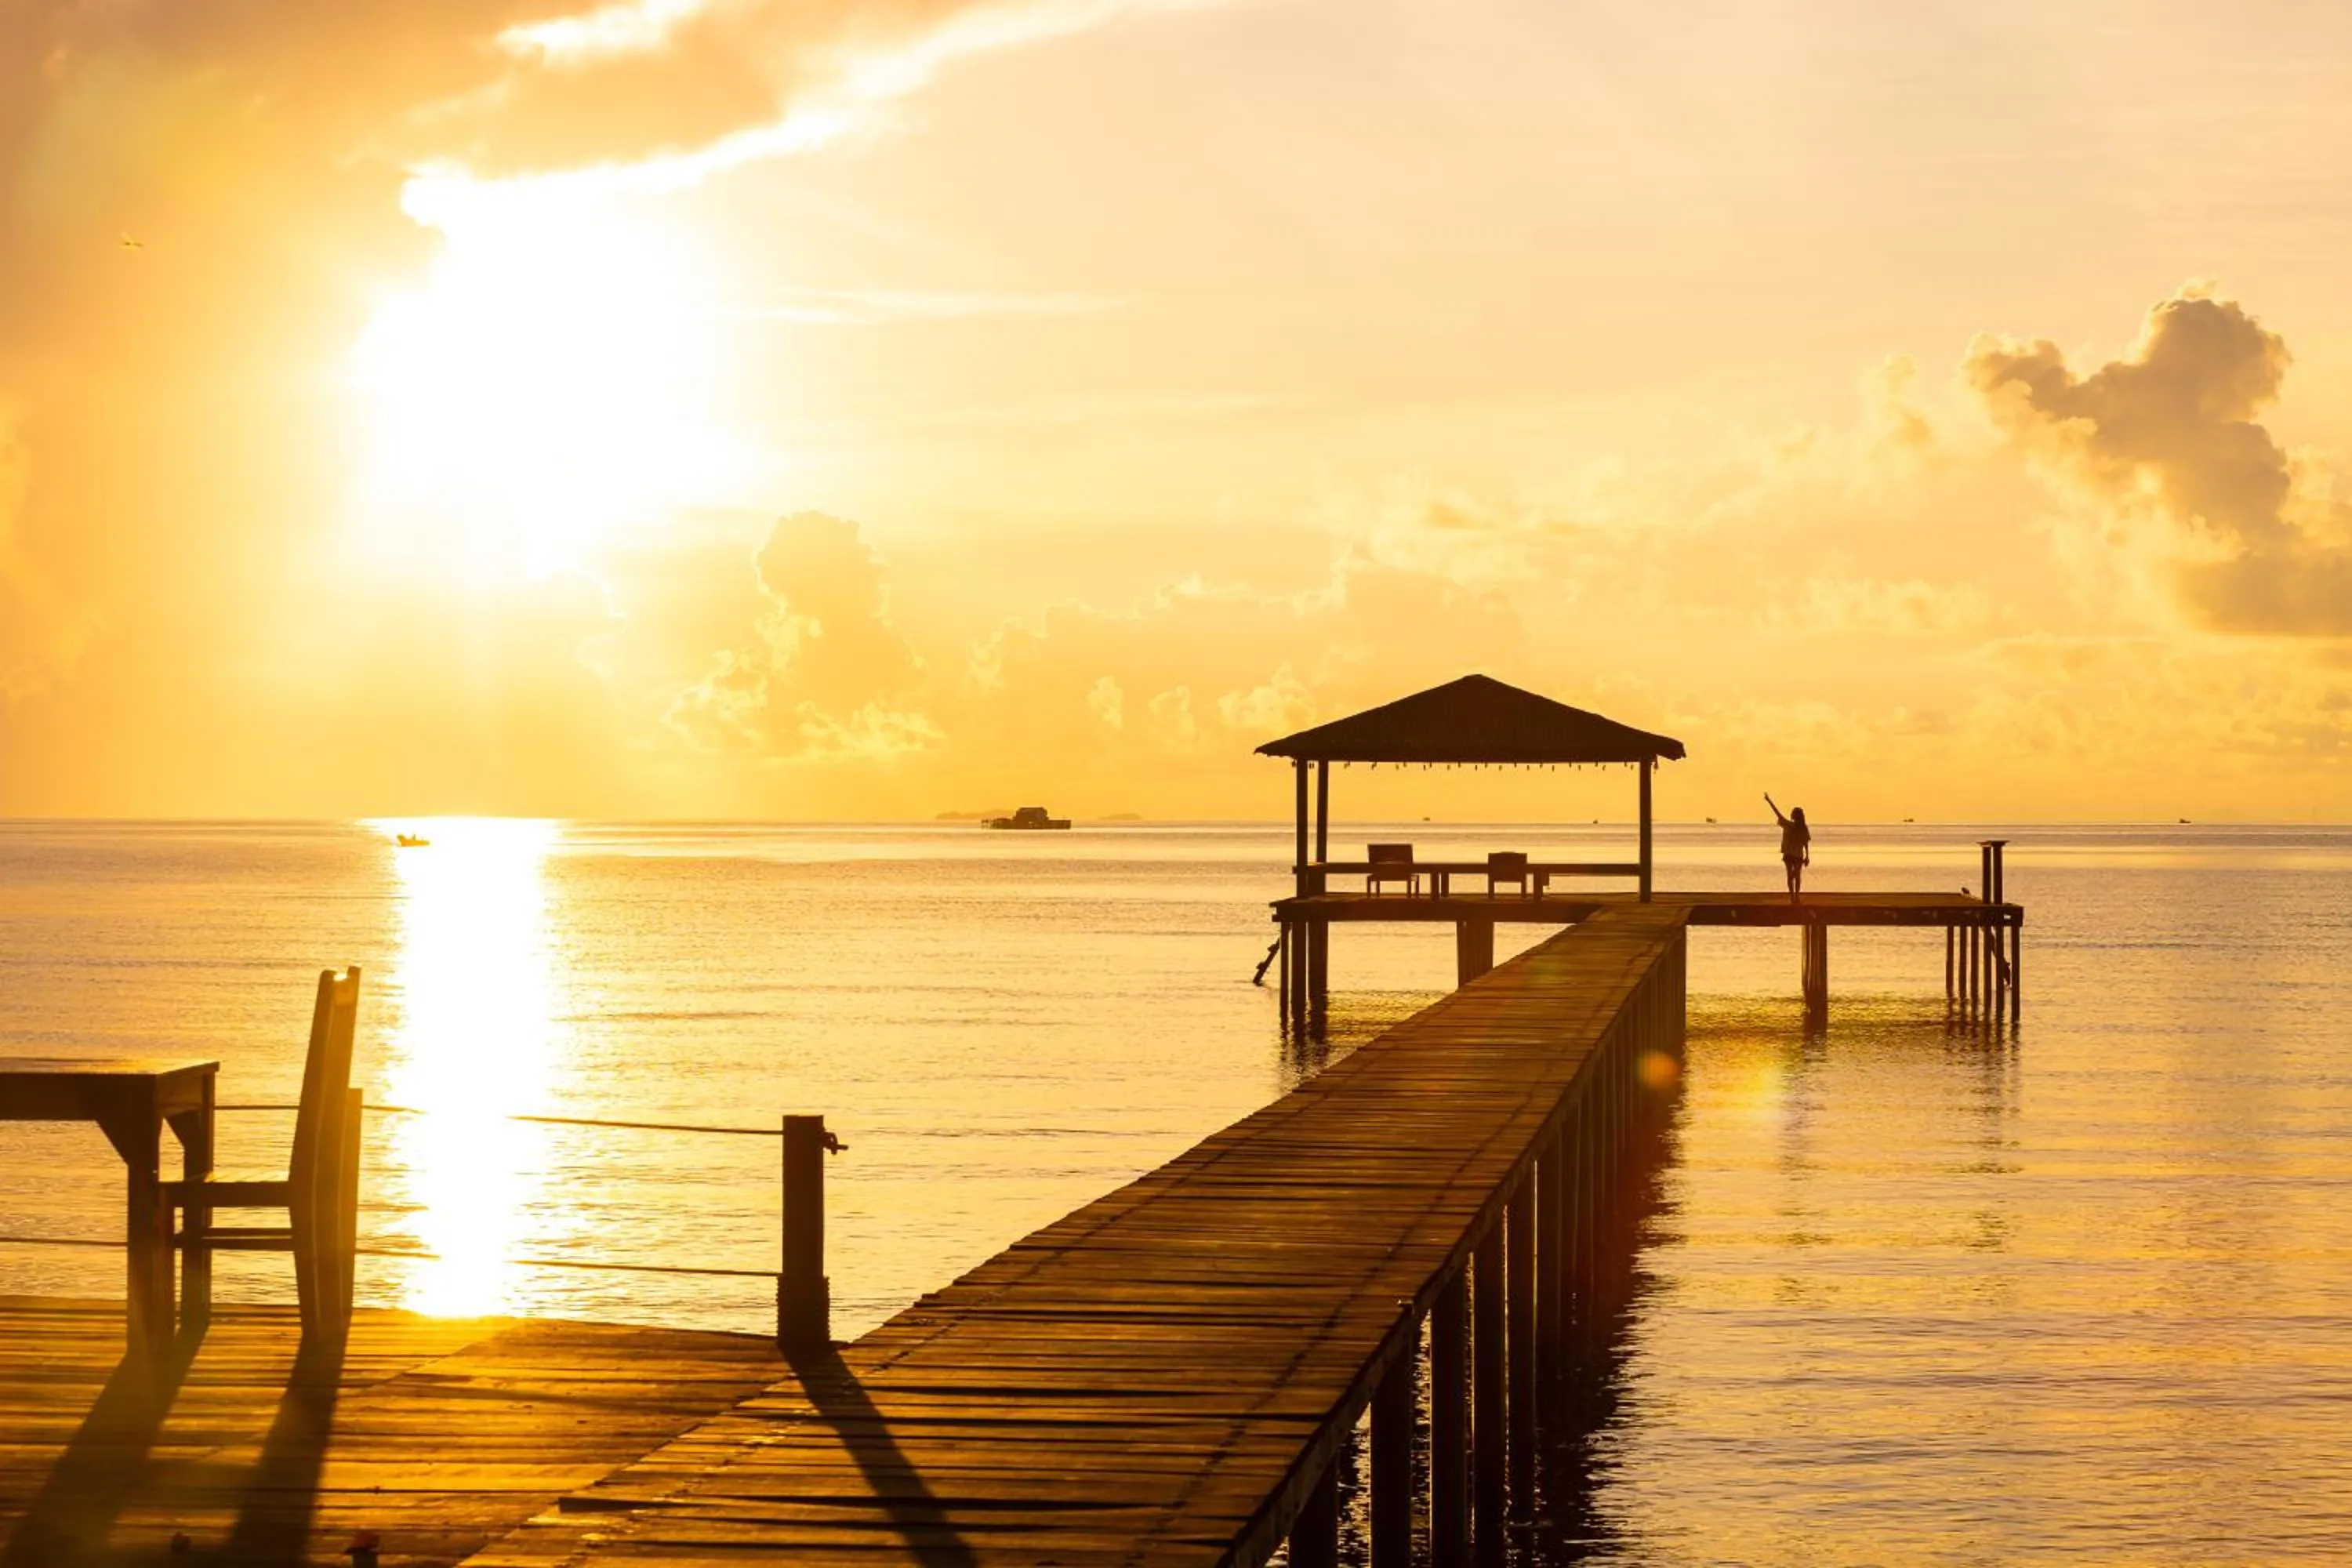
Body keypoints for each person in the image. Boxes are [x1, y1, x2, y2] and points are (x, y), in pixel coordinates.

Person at [1766, 793, 1809, 902]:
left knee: (1792, 876)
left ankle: (1793, 896)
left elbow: (1778, 814)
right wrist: (1807, 856)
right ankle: (1795, 896)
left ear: (1794, 816)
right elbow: (1806, 843)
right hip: (1795, 855)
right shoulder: (1799, 827)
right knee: (1795, 876)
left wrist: (1769, 801)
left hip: (1793, 855)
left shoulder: (1791, 826)